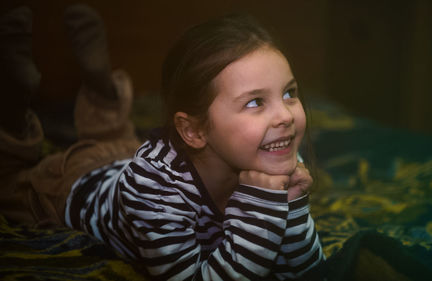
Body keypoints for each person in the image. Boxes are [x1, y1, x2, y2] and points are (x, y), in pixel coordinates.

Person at [0, 4, 325, 280]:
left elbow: (308, 271)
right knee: (11, 182)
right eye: (255, 102)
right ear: (194, 131)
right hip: (74, 185)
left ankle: (103, 86)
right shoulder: (153, 190)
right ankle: (13, 105)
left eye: (289, 93)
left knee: (116, 137)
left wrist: (291, 202)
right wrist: (265, 207)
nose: (285, 115)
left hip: (136, 158)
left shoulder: (274, 150)